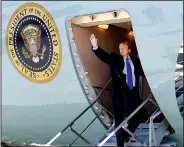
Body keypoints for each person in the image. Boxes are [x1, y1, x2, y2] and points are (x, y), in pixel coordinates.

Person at [89, 34, 148, 146]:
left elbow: (144, 73)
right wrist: (95, 46)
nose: (120, 50)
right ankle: (120, 143)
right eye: (119, 48)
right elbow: (104, 57)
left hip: (132, 93)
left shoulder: (136, 61)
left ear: (129, 50)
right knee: (119, 119)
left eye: (123, 48)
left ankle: (126, 135)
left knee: (140, 115)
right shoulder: (114, 58)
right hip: (119, 93)